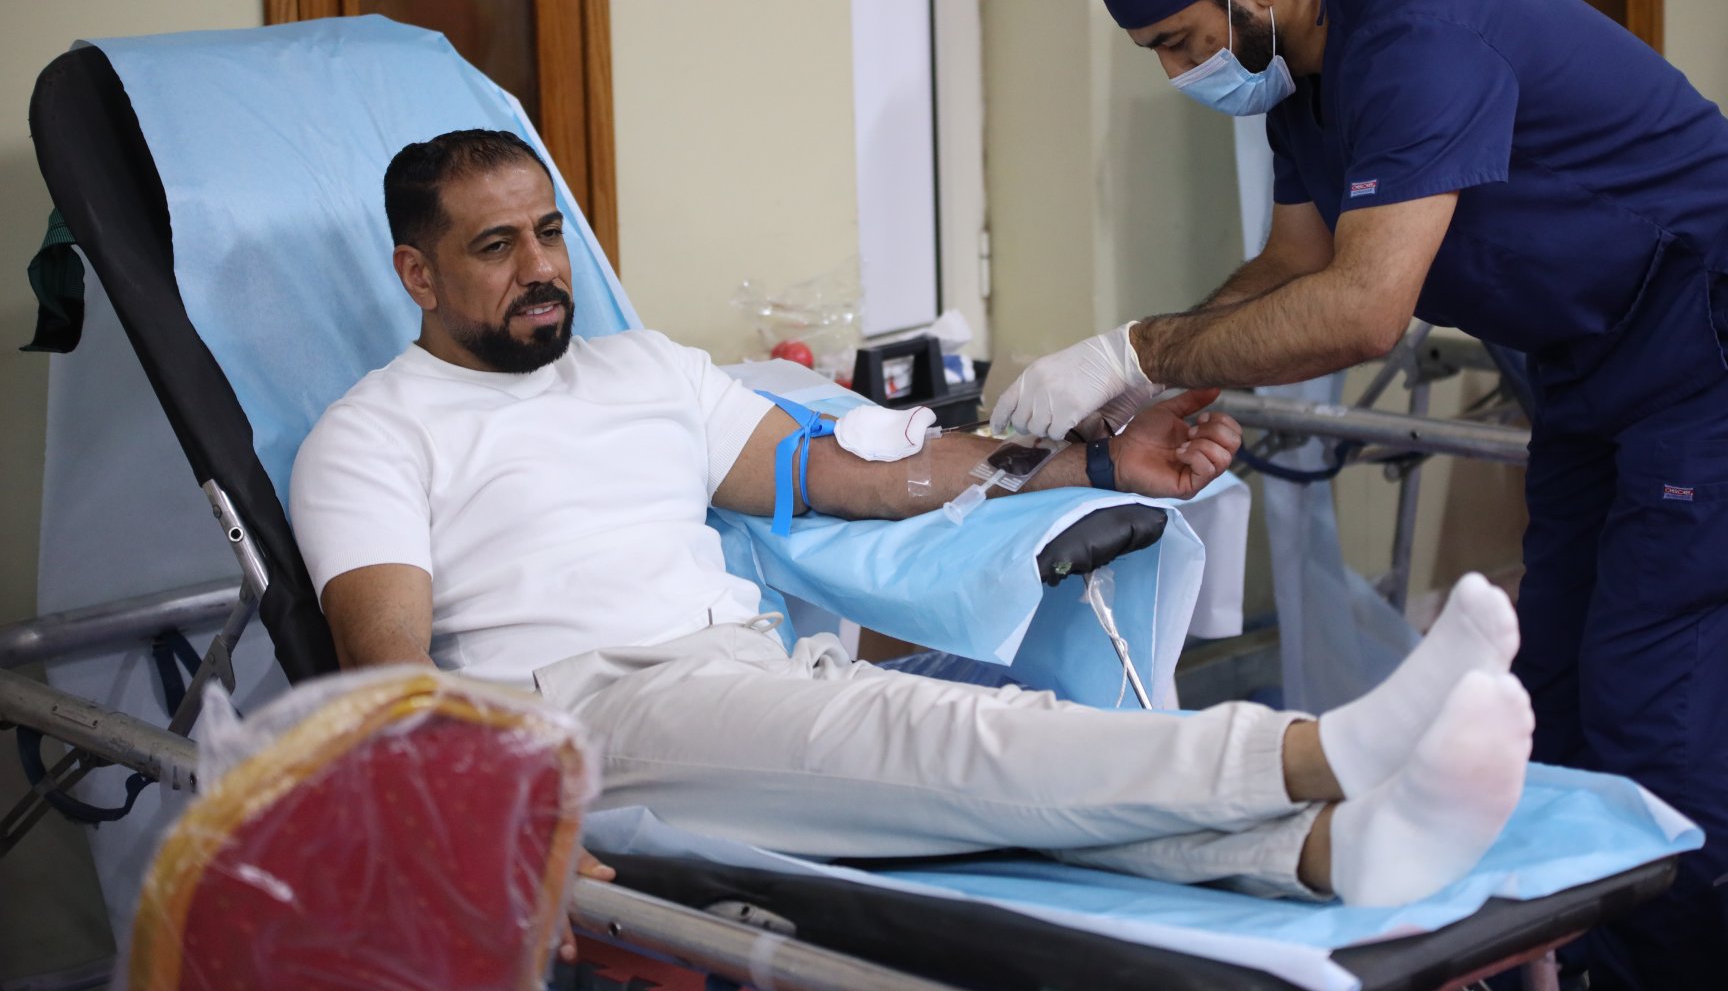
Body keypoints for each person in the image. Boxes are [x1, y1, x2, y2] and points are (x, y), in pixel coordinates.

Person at [288, 128, 1536, 961]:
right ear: (417, 273)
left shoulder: (643, 370)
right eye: (495, 247)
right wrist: (493, 832)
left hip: (742, 673)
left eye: (549, 232)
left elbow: (861, 477)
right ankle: (1321, 751)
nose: (541, 268)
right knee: (955, 737)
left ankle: (1326, 849)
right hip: (579, 716)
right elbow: (386, 681)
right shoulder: (373, 432)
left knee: (973, 788)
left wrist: (1097, 463)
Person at [989, 0, 1728, 990]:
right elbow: (1295, 260)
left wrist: (1137, 350)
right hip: (1592, 355)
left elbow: (1364, 309)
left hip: (1721, 340)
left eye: (1178, 41)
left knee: (1655, 706)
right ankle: (1569, 961)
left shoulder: (1420, 38)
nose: (1177, 71)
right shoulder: (1298, 74)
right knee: (1550, 686)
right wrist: (1153, 390)